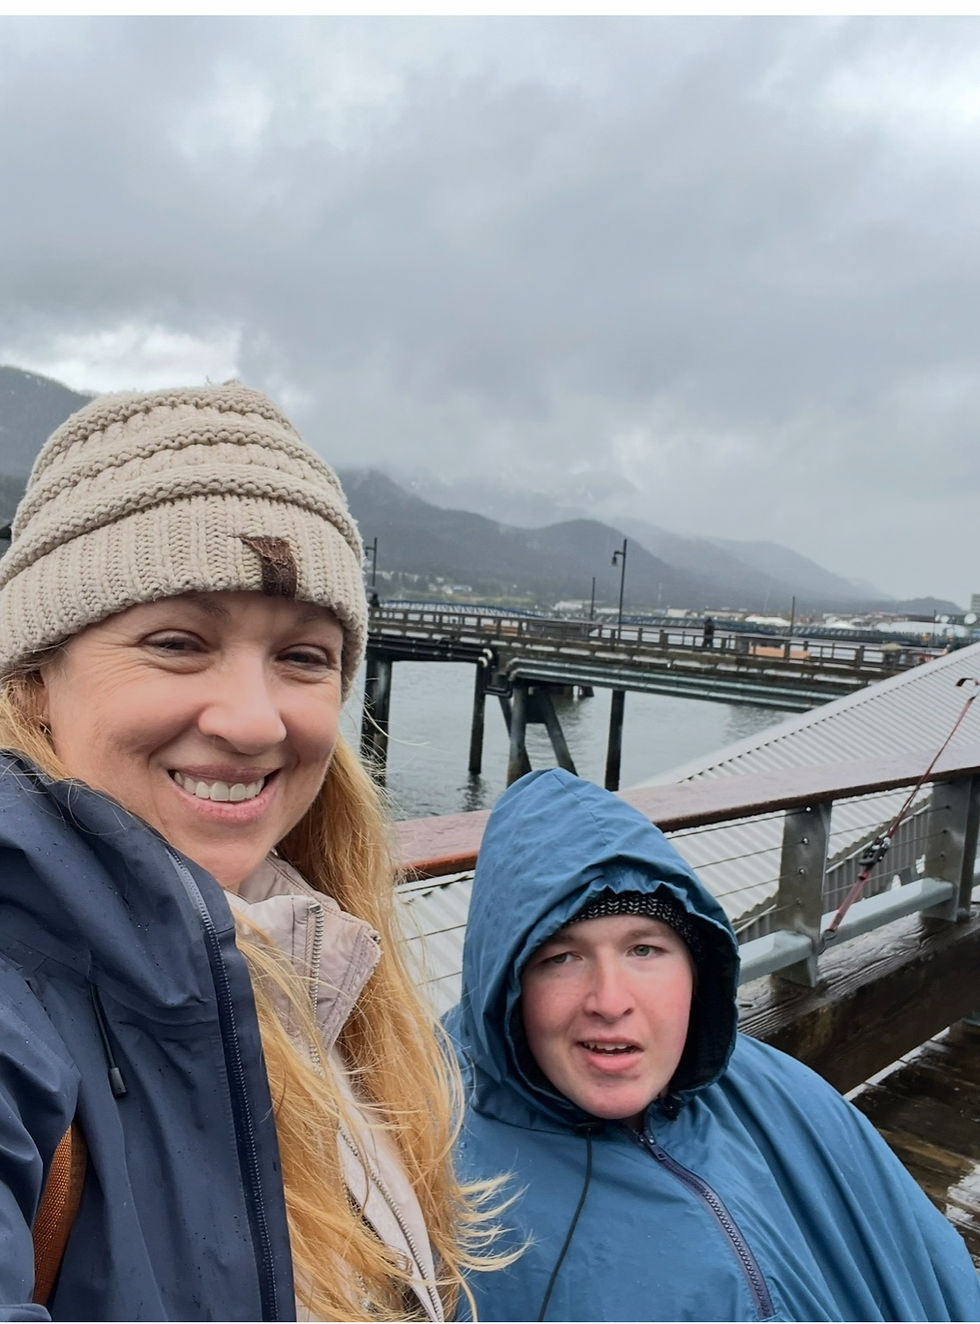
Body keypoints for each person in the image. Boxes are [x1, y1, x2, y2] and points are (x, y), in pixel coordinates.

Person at [0, 383, 490, 1320]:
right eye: (179, 642)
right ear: (32, 684)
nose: (254, 720)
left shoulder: (314, 956)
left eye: (303, 657)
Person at [447, 768, 980, 1322]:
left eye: (645, 950)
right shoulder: (439, 1164)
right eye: (561, 958)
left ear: (697, 967)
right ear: (506, 986)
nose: (609, 1000)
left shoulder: (782, 1096)